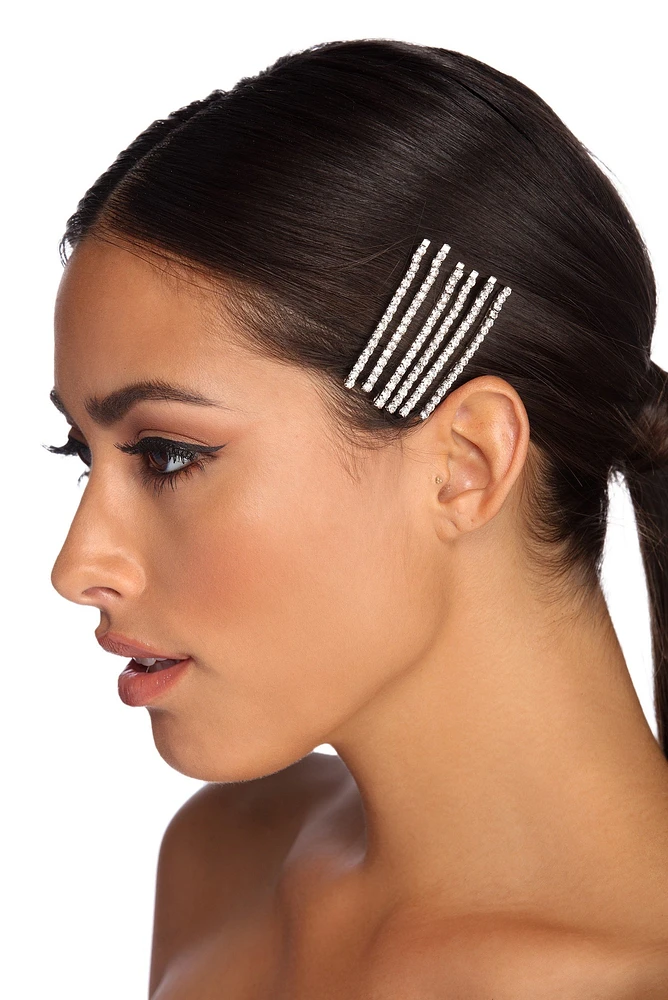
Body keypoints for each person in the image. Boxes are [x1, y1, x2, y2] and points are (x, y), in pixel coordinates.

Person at [47, 37, 668, 998]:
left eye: (168, 454)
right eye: (82, 455)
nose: (77, 566)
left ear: (465, 464)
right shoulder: (226, 860)